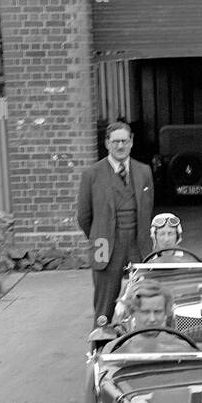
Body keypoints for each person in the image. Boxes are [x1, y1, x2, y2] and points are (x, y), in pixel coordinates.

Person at [76, 121, 154, 323]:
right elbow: (84, 216)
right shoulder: (92, 174)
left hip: (138, 245)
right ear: (107, 144)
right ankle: (99, 350)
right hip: (106, 245)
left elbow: (148, 209)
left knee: (145, 299)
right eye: (116, 141)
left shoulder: (144, 171)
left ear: (131, 142)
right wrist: (99, 234)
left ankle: (142, 346)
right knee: (105, 304)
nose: (120, 146)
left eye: (124, 141)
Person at [107, 282, 190, 353]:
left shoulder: (183, 348)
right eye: (145, 312)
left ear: (166, 312)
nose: (152, 319)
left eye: (158, 312)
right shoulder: (114, 350)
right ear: (132, 312)